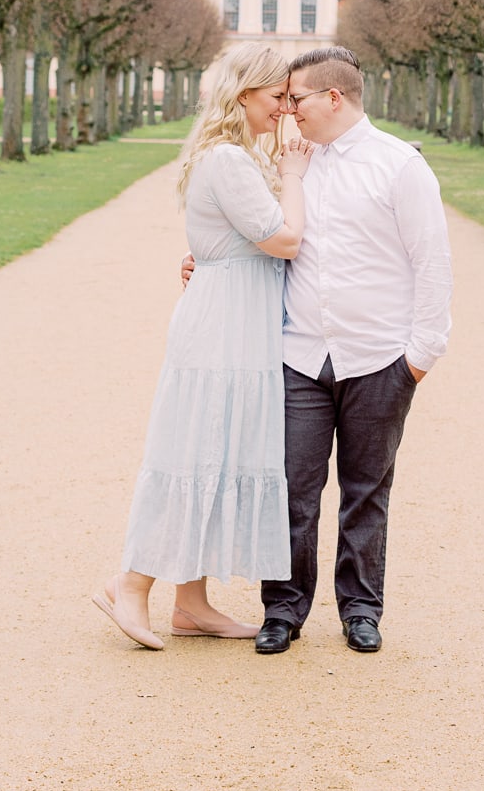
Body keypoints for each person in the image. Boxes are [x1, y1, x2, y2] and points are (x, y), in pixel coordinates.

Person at [187, 45, 452, 654]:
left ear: (334, 97)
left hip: (378, 356)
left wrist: (419, 356)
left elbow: (432, 263)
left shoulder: (399, 166)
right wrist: (201, 259)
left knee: (366, 489)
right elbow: (263, 235)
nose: (287, 109)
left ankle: (361, 608)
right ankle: (283, 608)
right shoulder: (286, 162)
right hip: (299, 353)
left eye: (295, 97)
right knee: (291, 487)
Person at [93, 43, 313, 651]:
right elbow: (285, 239)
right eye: (277, 98)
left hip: (238, 320)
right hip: (223, 329)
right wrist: (292, 175)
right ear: (244, 95)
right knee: (194, 452)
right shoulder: (228, 160)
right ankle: (131, 583)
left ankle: (190, 602)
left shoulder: (237, 156)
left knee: (221, 452)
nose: (286, 110)